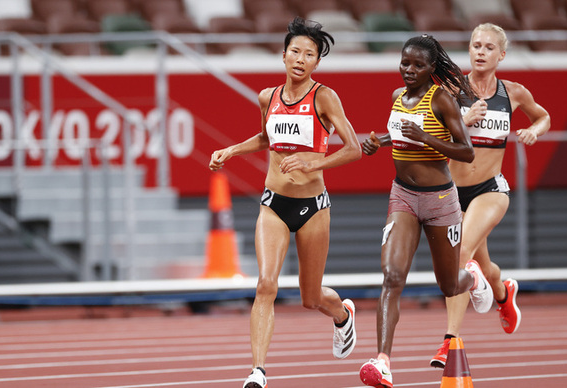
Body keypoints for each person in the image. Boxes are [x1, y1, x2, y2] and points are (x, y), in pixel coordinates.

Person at [208, 17, 362, 388]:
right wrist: (232, 150)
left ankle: (342, 315)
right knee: (266, 284)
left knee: (311, 298)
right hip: (273, 203)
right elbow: (266, 137)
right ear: (283, 55)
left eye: (309, 54)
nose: (301, 58)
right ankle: (257, 371)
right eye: (295, 51)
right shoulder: (268, 97)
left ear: (316, 63)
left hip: (313, 207)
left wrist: (315, 162)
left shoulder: (324, 97)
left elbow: (354, 149)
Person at [358, 35, 494, 388]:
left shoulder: (443, 99)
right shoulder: (397, 98)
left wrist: (426, 138)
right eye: (405, 63)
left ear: (432, 68)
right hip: (402, 195)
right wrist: (378, 142)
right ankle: (383, 361)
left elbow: (466, 152)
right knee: (391, 276)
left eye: (418, 65)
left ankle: (473, 277)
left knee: (449, 285)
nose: (409, 70)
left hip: (439, 202)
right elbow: (399, 133)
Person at [429, 23, 551, 368]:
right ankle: (502, 293)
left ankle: (449, 341)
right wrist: (462, 120)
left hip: (490, 189)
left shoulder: (513, 92)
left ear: (501, 54)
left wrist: (532, 130)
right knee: (482, 265)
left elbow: (544, 116)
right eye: (475, 45)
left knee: (459, 253)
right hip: (452, 192)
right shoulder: (450, 90)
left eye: (488, 47)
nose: (480, 52)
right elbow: (429, 135)